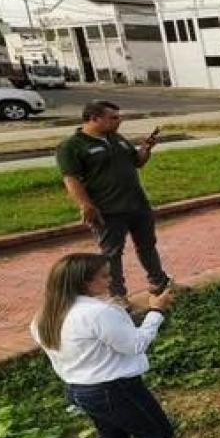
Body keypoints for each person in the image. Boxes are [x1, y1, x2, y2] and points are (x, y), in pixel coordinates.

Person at [31, 253, 177, 438]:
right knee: (157, 435)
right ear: (85, 282)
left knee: (112, 436)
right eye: (105, 276)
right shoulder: (98, 312)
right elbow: (135, 344)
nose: (111, 280)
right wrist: (156, 311)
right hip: (115, 389)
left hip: (80, 389)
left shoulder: (45, 315)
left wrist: (116, 311)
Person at [57, 100, 173, 302]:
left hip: (137, 204)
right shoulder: (72, 146)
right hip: (108, 210)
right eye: (113, 117)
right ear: (94, 118)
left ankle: (159, 283)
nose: (119, 121)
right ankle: (117, 296)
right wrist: (86, 205)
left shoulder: (116, 138)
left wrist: (146, 149)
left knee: (147, 245)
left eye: (118, 117)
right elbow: (71, 179)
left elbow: (136, 162)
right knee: (112, 254)